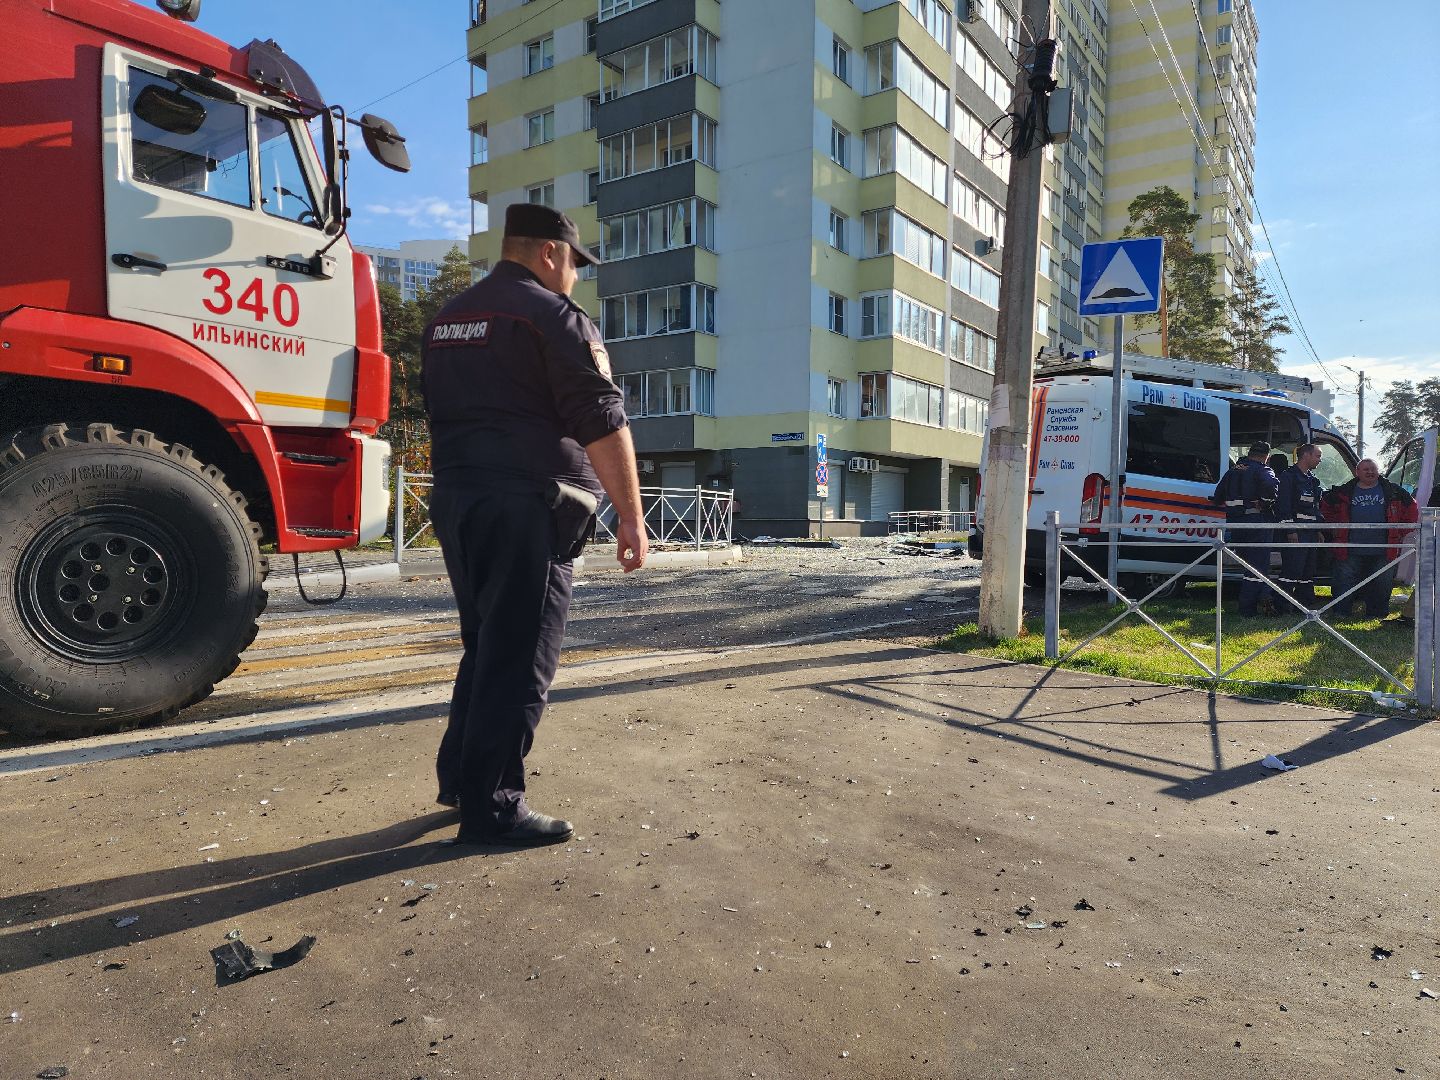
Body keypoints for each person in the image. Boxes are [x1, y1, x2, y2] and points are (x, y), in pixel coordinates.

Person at [421, 203, 649, 847]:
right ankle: (492, 809)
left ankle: (462, 779)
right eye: (574, 263)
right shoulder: (552, 316)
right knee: (521, 660)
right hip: (528, 507)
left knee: (487, 643)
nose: (576, 275)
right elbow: (601, 418)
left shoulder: (448, 318)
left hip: (459, 501)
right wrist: (631, 519)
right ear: (550, 252)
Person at [1321, 458, 1418, 619]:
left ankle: (1377, 614)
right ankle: (1340, 612)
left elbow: (1412, 511)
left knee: (1382, 582)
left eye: (1373, 469)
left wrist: (1400, 532)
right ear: (1357, 472)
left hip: (1384, 548)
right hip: (1349, 547)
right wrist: (1335, 528)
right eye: (1365, 469)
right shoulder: (1343, 492)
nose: (1370, 472)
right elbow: (1325, 508)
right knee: (1343, 580)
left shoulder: (1394, 491)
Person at [1214, 440, 1280, 617]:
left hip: (1236, 525)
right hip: (1257, 522)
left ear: (1249, 452)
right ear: (1266, 456)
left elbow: (1217, 495)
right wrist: (1265, 503)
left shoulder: (1232, 471)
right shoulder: (1262, 469)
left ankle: (1264, 595)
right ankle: (1247, 609)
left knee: (1248, 565)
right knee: (1257, 567)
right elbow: (1270, 485)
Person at [1274, 443, 1325, 607]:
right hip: (1296, 532)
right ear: (1306, 455)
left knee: (1307, 571)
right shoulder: (1288, 477)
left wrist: (1318, 530)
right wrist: (1290, 530)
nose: (1319, 460)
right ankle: (1281, 605)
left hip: (1310, 532)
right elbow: (1283, 507)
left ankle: (1304, 604)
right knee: (1292, 569)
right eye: (1318, 456)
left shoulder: (1312, 480)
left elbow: (1315, 507)